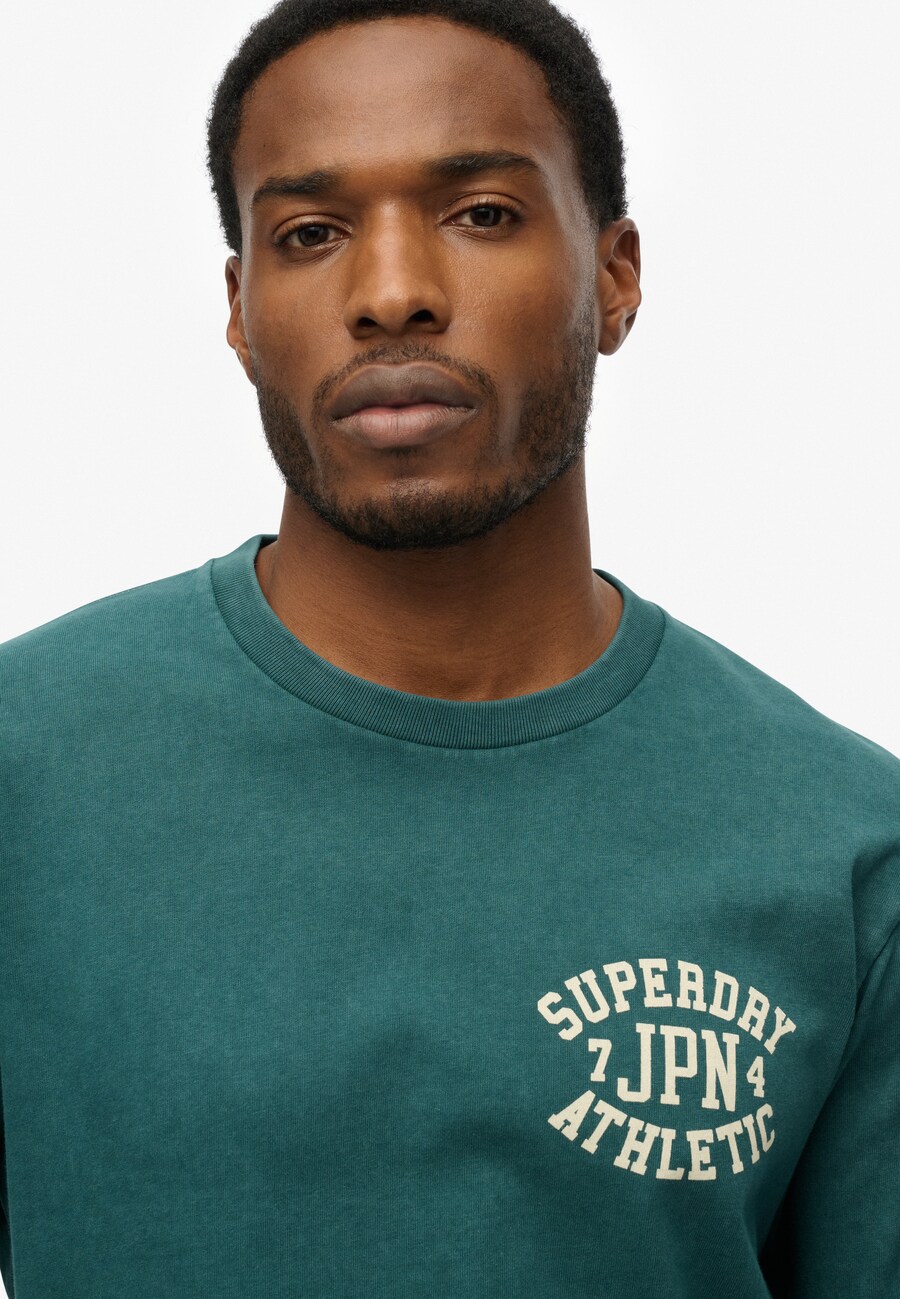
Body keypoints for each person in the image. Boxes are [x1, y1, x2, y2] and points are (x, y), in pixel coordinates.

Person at [1, 0, 897, 1295]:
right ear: (241, 310)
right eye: (311, 234)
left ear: (616, 276)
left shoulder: (847, 852)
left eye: (480, 212)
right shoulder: (24, 776)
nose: (391, 295)